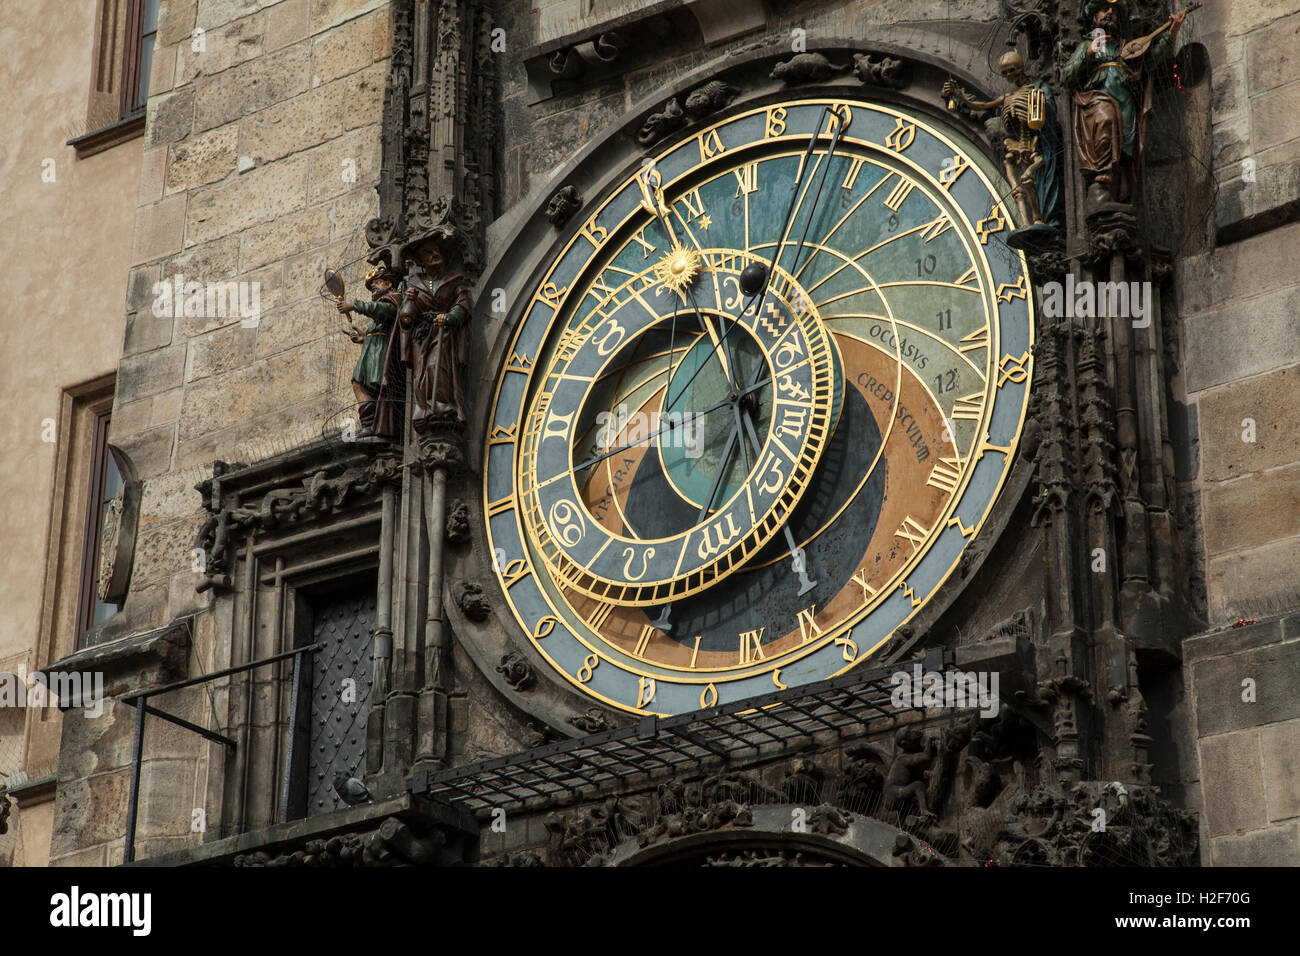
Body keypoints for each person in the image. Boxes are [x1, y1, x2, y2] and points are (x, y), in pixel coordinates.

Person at [1063, 0, 1188, 204]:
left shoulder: (1125, 47)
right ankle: (1100, 183)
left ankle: (1120, 194)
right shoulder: (1087, 45)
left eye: (1113, 10)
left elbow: (1149, 64)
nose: (1109, 13)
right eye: (1104, 9)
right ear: (1094, 16)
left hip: (1125, 102)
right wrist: (1088, 54)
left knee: (1125, 147)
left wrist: (1170, 34)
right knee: (1106, 121)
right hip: (1098, 100)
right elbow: (1067, 77)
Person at [397, 227, 474, 428]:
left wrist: (449, 317)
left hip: (444, 332)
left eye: (436, 251)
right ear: (421, 262)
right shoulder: (414, 283)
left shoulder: (454, 280)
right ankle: (425, 408)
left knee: (436, 367)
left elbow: (463, 303)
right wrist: (408, 302)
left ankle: (443, 405)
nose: (434, 254)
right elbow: (406, 319)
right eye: (428, 253)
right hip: (421, 335)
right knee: (421, 373)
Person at [337, 260, 403, 437]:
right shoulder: (382, 305)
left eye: (377, 284)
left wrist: (354, 305)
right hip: (372, 352)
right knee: (358, 384)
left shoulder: (394, 300)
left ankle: (372, 424)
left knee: (368, 386)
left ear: (389, 284)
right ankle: (369, 424)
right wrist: (363, 338)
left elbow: (381, 311)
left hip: (380, 355)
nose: (373, 289)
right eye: (371, 287)